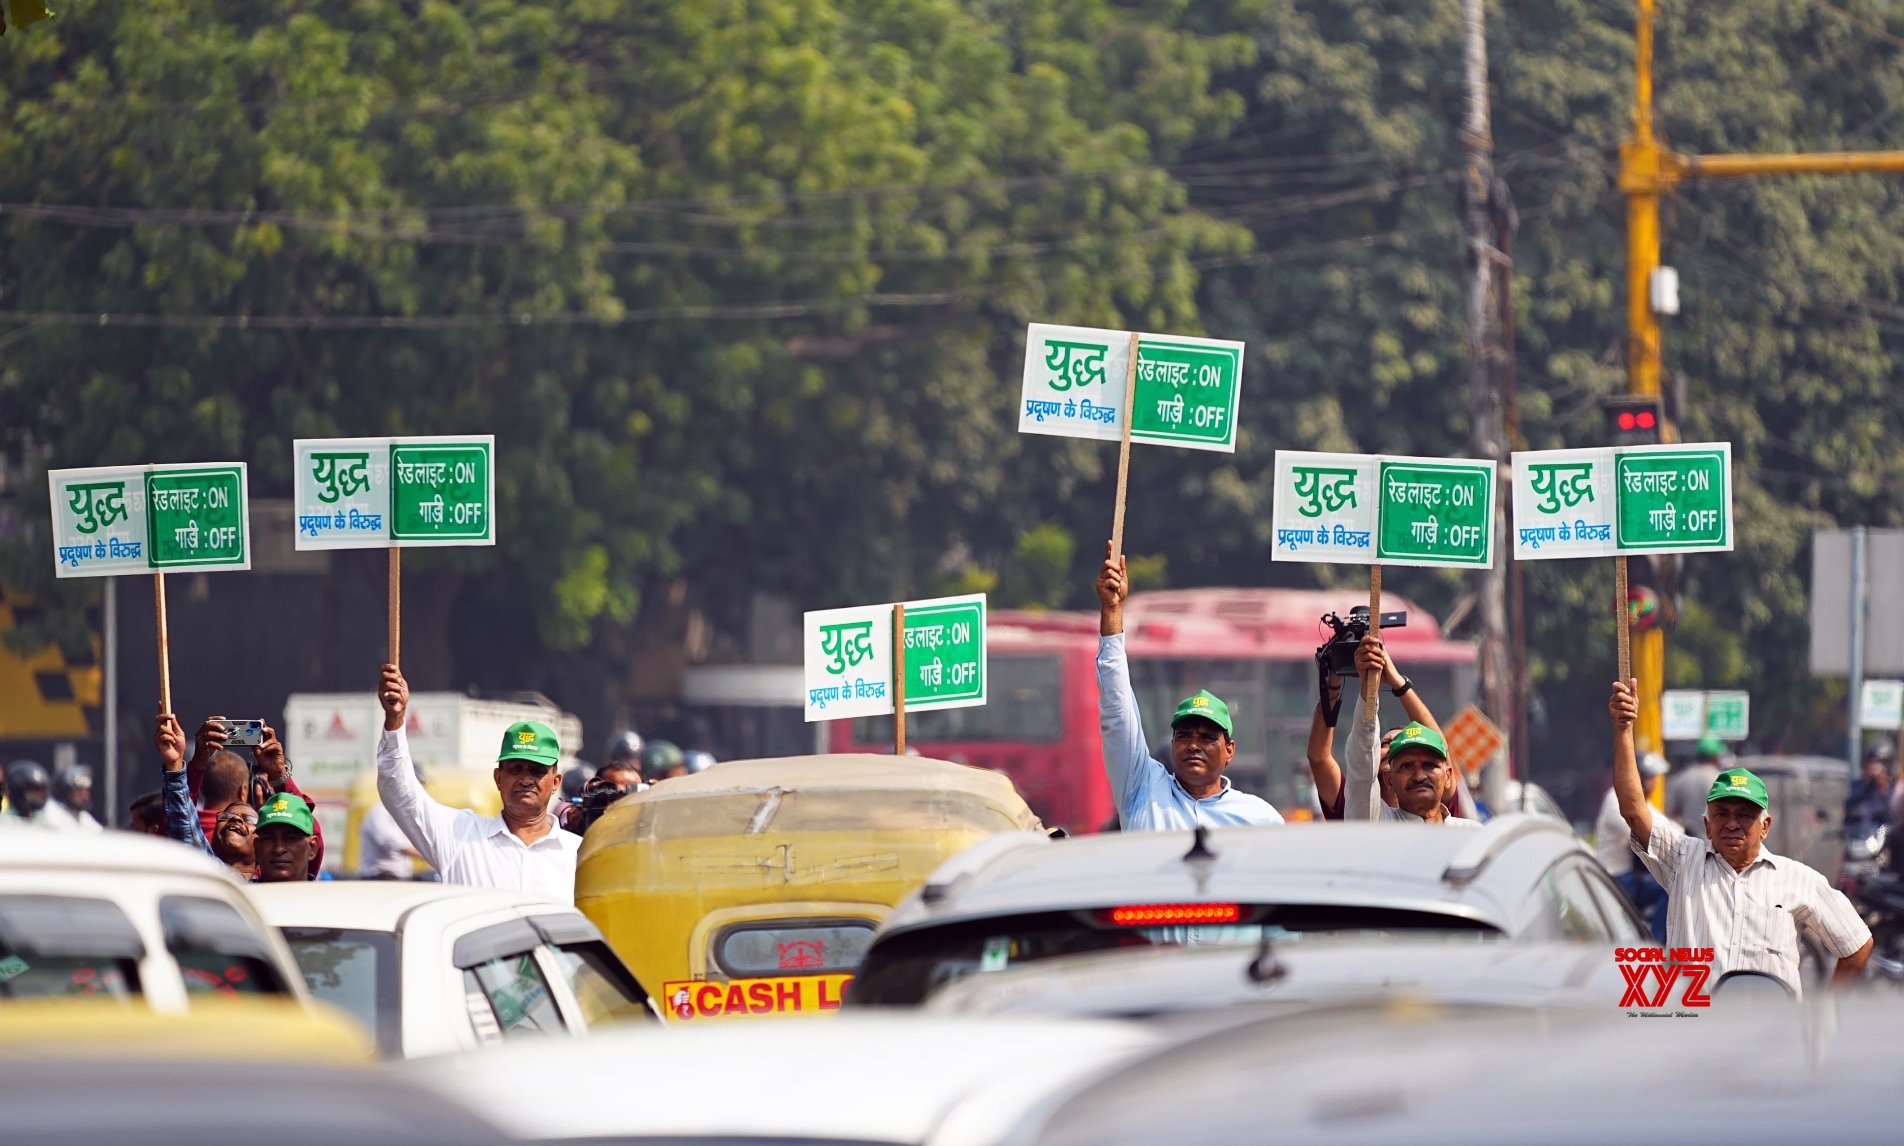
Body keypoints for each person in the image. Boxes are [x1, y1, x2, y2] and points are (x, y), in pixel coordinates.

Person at [1609, 679, 1871, 997]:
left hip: (1771, 1038)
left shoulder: (1798, 880)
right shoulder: (1681, 859)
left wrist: (1825, 1013)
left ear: (1765, 826)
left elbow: (1856, 945)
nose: (1732, 823)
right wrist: (1624, 730)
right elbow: (1634, 810)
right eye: (1722, 813)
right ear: (1706, 825)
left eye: (1745, 815)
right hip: (1694, 1034)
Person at [1095, 541, 1281, 829]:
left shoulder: (1259, 818)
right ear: (1172, 745)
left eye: (1207, 737)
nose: (1193, 745)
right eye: (1184, 736)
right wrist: (1112, 612)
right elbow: (1117, 712)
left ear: (1230, 750)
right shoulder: (1142, 791)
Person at [376, 664, 579, 903]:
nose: (525, 779)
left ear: (555, 782)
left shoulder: (578, 854)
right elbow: (399, 792)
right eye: (515, 769)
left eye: (536, 770)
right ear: (498, 778)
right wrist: (396, 720)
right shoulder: (460, 836)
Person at [1306, 652, 1475, 821]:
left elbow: (1438, 749)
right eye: (1386, 743)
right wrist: (1332, 686)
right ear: (1389, 779)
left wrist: (1399, 684)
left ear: (1446, 776)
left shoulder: (1448, 814)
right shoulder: (1355, 806)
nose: (1419, 775)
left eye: (1427, 765)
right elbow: (1320, 757)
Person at [1597, 752, 1672, 941]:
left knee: (1674, 885)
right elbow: (1639, 829)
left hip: (1633, 876)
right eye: (1647, 778)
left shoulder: (1640, 802)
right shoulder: (1616, 799)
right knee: (1669, 887)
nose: (1652, 783)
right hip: (1616, 876)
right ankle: (1656, 943)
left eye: (1653, 778)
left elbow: (1664, 824)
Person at [1664, 737, 1725, 840]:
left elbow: (1671, 813)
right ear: (1716, 756)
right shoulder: (1721, 781)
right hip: (1715, 842)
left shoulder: (1680, 779)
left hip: (1688, 843)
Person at [252, 791, 318, 883]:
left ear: (312, 848)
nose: (278, 849)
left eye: (291, 838)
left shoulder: (331, 897)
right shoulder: (237, 896)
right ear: (256, 848)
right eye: (269, 838)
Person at [358, 799, 421, 879]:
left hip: (400, 876)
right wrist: (425, 855)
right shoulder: (380, 812)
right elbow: (393, 842)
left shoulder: (403, 812)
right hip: (379, 877)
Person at [1847, 740, 1895, 829]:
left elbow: (1887, 808)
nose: (1873, 765)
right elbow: (1850, 806)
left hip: (1880, 834)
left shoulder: (1892, 787)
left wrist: (1881, 784)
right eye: (1871, 761)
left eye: (1879, 762)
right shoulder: (1857, 785)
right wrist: (1865, 784)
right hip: (1857, 833)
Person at [42, 764, 104, 832]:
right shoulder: (50, 812)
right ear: (65, 791)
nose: (85, 795)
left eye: (86, 790)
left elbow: (98, 832)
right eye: (79, 790)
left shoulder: (83, 815)